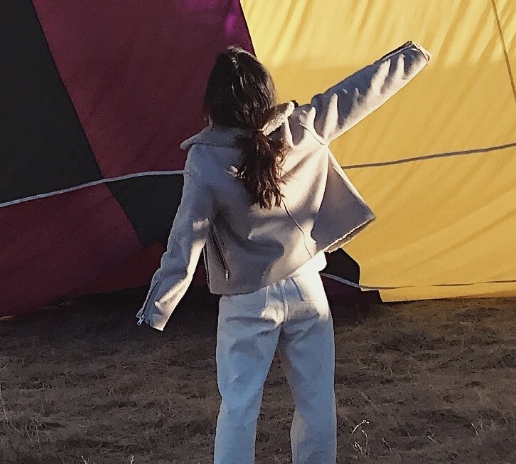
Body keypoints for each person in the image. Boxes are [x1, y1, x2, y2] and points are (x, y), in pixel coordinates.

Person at [136, 42, 433, 464]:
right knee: (316, 402)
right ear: (265, 94)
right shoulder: (303, 127)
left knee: (239, 406)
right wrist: (413, 56)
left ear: (213, 104)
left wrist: (157, 305)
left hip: (246, 300)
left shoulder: (204, 160)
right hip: (307, 286)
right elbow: (360, 91)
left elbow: (187, 236)